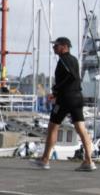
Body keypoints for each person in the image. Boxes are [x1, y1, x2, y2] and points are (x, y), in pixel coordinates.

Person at [33, 37, 96, 171]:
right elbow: (74, 78)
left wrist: (56, 89)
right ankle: (89, 161)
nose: (54, 48)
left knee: (52, 127)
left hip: (65, 99)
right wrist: (56, 93)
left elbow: (71, 76)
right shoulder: (74, 60)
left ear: (65, 47)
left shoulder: (64, 60)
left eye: (56, 46)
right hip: (77, 97)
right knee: (81, 129)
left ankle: (45, 160)